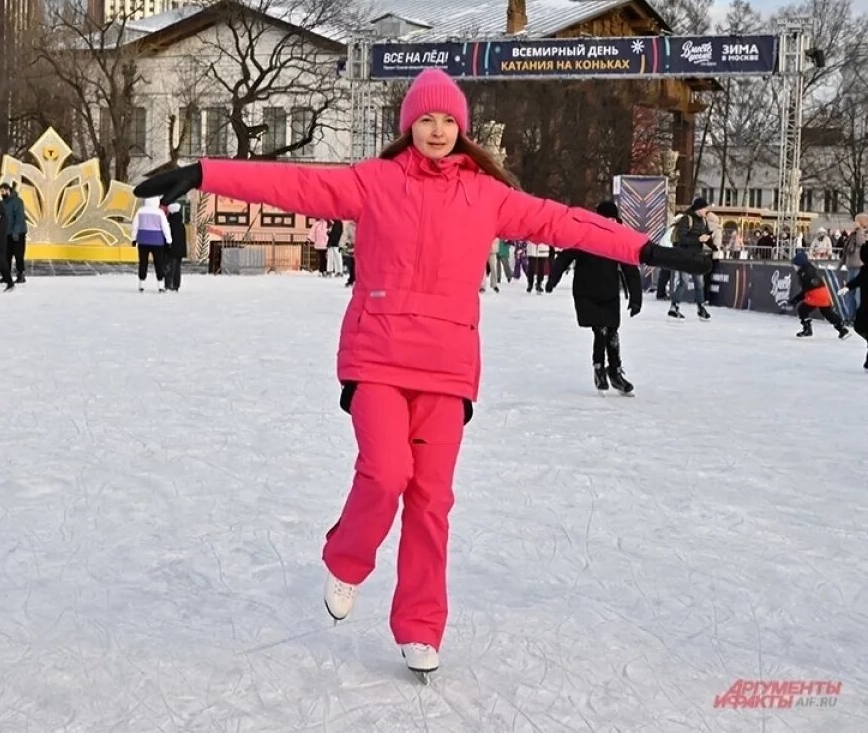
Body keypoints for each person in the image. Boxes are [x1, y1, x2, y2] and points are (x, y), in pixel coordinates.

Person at [132, 67, 706, 678]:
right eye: (426, 119)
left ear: (462, 128)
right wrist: (204, 172)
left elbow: (566, 222)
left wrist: (644, 247)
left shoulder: (488, 194)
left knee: (431, 501)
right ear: (409, 126)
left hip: (447, 366)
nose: (437, 130)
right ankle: (348, 558)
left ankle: (420, 624)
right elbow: (295, 183)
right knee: (385, 473)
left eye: (448, 120)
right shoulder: (374, 182)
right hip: (378, 355)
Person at [546, 202, 643, 395]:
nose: (609, 222)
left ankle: (615, 372)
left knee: (612, 332)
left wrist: (635, 298)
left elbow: (630, 269)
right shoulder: (586, 233)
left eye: (612, 219)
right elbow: (566, 257)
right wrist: (553, 280)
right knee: (601, 330)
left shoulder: (619, 237)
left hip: (609, 293)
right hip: (586, 291)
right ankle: (599, 368)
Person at [668, 198, 713, 321]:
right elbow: (682, 239)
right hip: (685, 256)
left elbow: (706, 236)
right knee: (684, 282)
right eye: (704, 208)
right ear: (698, 209)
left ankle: (701, 308)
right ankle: (674, 306)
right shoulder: (686, 219)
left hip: (697, 257)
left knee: (699, 283)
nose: (706, 210)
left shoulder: (704, 220)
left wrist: (714, 246)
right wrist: (698, 239)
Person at [790, 251, 849, 339]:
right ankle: (841, 328)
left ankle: (807, 329)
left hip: (815, 294)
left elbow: (805, 290)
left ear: (800, 264)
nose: (794, 267)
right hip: (824, 292)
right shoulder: (810, 268)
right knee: (827, 313)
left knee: (802, 310)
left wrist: (796, 300)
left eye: (795, 265)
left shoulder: (804, 274)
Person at [130, 196, 172, 293]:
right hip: (157, 242)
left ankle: (141, 284)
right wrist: (169, 240)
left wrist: (134, 238)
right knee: (159, 263)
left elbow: (135, 225)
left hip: (143, 241)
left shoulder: (140, 211)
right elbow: (165, 227)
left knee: (143, 262)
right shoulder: (160, 213)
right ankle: (160, 285)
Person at [838, 240, 868, 369]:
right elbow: (858, 280)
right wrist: (848, 287)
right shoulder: (865, 269)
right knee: (859, 325)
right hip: (866, 307)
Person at [1, 182, 28, 284]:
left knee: (18, 255)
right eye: (1, 191)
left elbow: (19, 218)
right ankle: (6, 275)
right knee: (6, 255)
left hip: (18, 233)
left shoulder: (17, 202)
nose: (2, 193)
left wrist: (16, 232)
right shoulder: (3, 203)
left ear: (8, 190)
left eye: (3, 191)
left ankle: (20, 274)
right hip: (7, 233)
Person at [163, 199, 187, 292]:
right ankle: (176, 285)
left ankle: (169, 284)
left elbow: (167, 237)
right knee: (177, 269)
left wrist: (165, 248)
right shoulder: (181, 224)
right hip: (180, 251)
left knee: (170, 268)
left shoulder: (170, 224)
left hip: (171, 250)